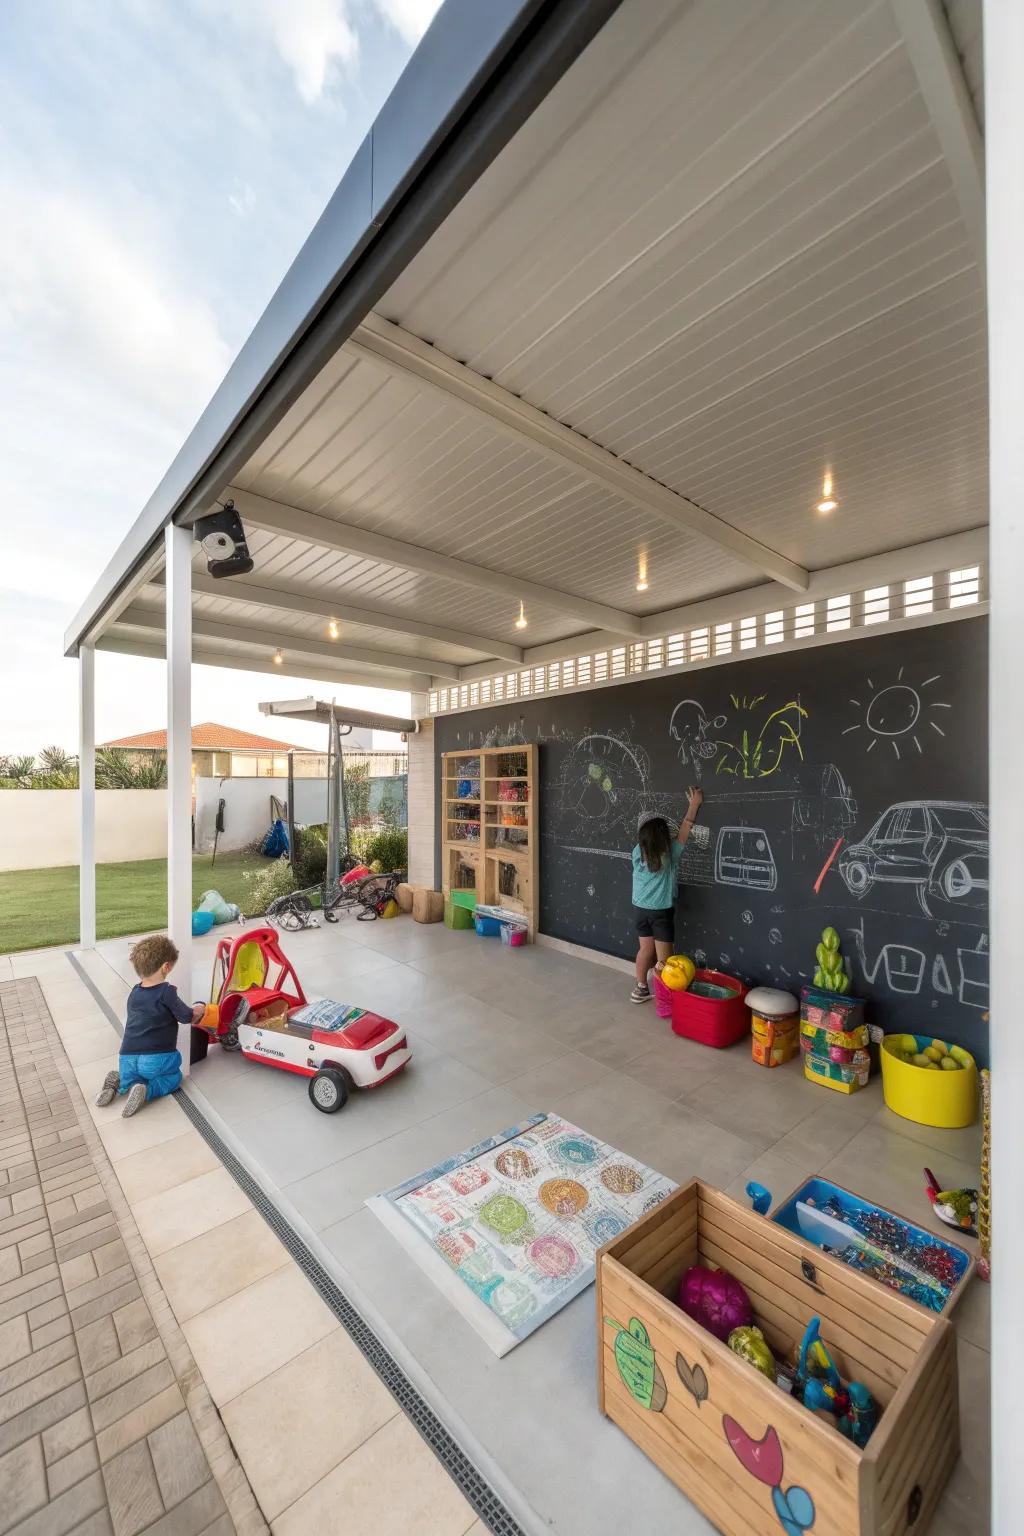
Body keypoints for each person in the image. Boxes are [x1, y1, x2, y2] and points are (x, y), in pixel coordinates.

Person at [95, 935, 204, 1117]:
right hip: (156, 1058)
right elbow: (186, 1016)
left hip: (127, 1056)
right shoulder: (166, 992)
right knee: (174, 1077)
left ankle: (120, 1084)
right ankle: (147, 1090)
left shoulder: (134, 992)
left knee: (133, 1077)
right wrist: (199, 1009)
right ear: (166, 967)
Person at [630, 787, 704, 1003]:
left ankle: (641, 988)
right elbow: (685, 830)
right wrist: (694, 804)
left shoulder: (637, 852)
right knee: (665, 961)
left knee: (645, 950)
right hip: (660, 912)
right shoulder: (669, 855)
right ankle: (665, 998)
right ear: (664, 839)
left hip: (640, 910)